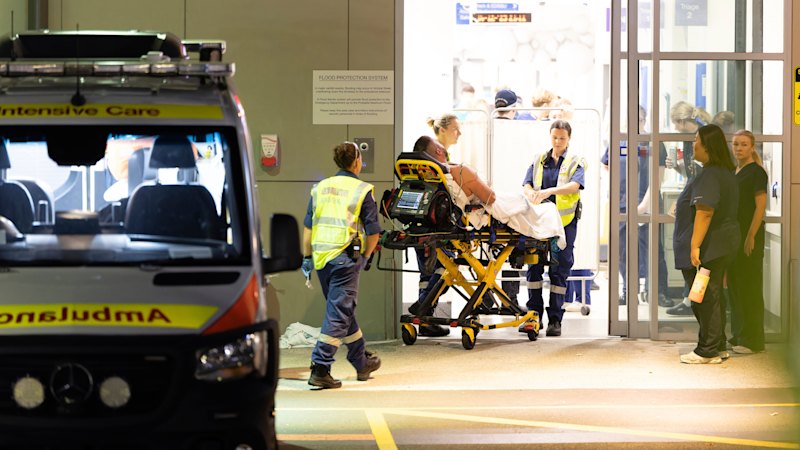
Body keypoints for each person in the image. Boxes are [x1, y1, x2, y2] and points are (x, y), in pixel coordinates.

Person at [302, 141, 382, 388]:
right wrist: (366, 257)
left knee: (342, 309)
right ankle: (320, 367)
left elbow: (308, 228)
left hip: (321, 259)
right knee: (338, 313)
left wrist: (307, 258)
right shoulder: (362, 189)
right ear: (357, 161)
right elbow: (374, 232)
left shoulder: (320, 188)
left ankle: (361, 361)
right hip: (345, 259)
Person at [673, 124, 739, 364]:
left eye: (696, 140)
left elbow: (705, 212)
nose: (693, 145)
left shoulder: (710, 175)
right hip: (719, 245)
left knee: (704, 297)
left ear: (707, 146)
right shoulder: (722, 172)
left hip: (709, 248)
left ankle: (707, 350)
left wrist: (694, 246)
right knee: (711, 295)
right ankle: (717, 344)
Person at [601, 106, 672, 308]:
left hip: (647, 204)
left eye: (639, 120)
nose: (634, 123)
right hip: (622, 205)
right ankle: (628, 290)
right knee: (623, 252)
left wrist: (643, 205)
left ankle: (657, 291)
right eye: (630, 119)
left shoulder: (654, 143)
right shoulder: (618, 141)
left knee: (652, 250)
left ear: (644, 121)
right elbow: (606, 165)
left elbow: (657, 178)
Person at [521, 120, 586, 337]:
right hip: (539, 223)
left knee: (559, 270)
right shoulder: (539, 159)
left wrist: (549, 191)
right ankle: (533, 316)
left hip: (563, 225)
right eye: (554, 137)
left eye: (562, 138)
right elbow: (527, 183)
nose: (558, 142)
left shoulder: (575, 161)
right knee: (534, 266)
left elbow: (575, 186)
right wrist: (530, 192)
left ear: (569, 139)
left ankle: (555, 320)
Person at [665, 101, 713, 316]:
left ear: (683, 121)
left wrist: (686, 198)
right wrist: (677, 167)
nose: (675, 128)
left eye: (676, 124)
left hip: (701, 201)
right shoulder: (689, 141)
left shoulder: (702, 138)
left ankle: (694, 299)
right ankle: (692, 299)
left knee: (696, 254)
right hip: (694, 197)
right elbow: (692, 174)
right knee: (690, 253)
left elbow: (700, 175)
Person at [727, 129, 767, 354]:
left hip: (749, 236)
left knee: (749, 286)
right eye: (736, 144)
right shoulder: (735, 171)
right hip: (735, 235)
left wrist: (751, 235)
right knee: (736, 286)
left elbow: (760, 207)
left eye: (743, 144)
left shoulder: (756, 173)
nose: (739, 148)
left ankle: (753, 340)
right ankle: (739, 334)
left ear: (752, 147)